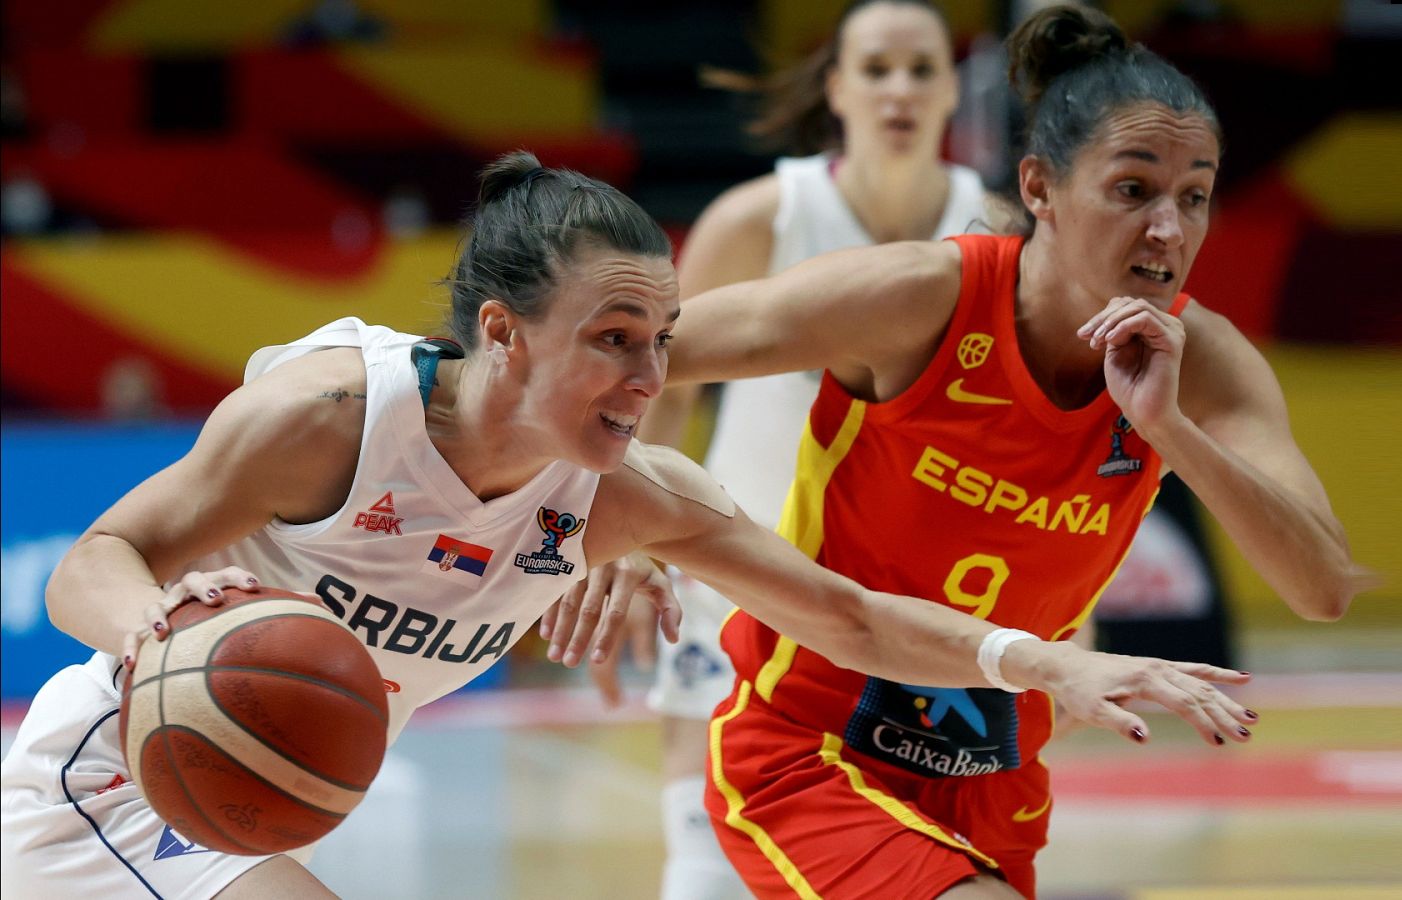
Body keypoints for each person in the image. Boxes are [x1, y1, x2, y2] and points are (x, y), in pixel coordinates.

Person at [0, 151, 1256, 898]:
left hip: (248, 798)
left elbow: (848, 617)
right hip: (112, 769)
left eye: (660, 340)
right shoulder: (334, 416)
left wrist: (1042, 662)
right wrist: (160, 625)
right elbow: (93, 564)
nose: (651, 376)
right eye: (612, 340)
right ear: (502, 332)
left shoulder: (626, 498)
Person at [564, 5, 1366, 898]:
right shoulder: (917, 292)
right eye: (1133, 190)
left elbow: (1322, 587)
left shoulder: (1204, 359)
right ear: (1040, 189)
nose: (1168, 230)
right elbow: (625, 356)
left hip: (992, 770)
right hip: (812, 741)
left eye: (1195, 196)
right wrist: (614, 516)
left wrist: (1172, 430)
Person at [574, 2, 991, 895]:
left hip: (906, 605)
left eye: (922, 69)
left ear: (953, 90)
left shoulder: (994, 234)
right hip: (742, 570)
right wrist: (627, 540)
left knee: (893, 865)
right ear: (836, 88)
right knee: (706, 866)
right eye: (876, 69)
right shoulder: (761, 219)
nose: (900, 89)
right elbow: (659, 389)